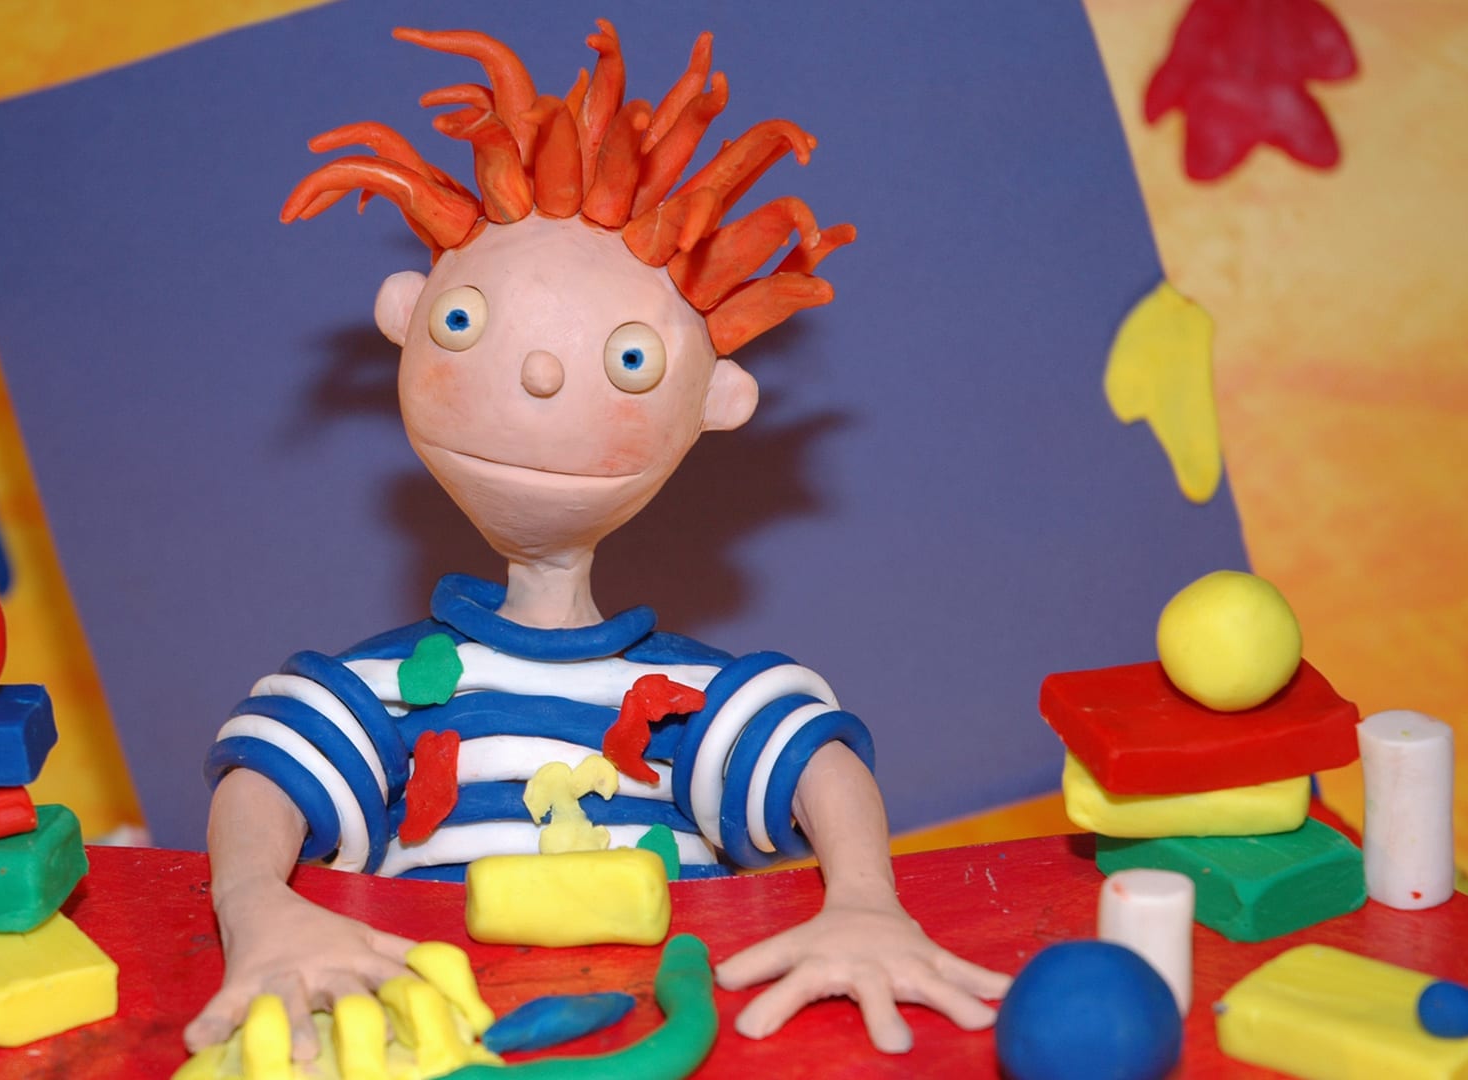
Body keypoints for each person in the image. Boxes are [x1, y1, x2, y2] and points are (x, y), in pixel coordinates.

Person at [184, 22, 1011, 1060]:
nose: (538, 377)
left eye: (628, 360)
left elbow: (815, 759)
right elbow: (267, 774)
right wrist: (259, 908)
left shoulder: (690, 700)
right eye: (463, 324)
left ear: (716, 400)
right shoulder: (389, 689)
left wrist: (864, 901)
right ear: (406, 312)